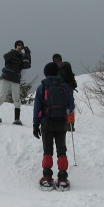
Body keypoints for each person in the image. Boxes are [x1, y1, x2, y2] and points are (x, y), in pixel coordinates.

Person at [33, 62, 75, 190]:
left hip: (46, 122)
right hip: (61, 122)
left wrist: (36, 124)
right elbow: (71, 105)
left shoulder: (42, 87)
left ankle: (47, 177)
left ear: (46, 73)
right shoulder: (65, 86)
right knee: (61, 150)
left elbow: (37, 107)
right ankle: (62, 178)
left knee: (48, 150)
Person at [0, 40, 30, 125]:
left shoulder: (22, 57)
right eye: (19, 45)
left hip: (15, 78)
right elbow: (5, 57)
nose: (20, 46)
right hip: (6, 76)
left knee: (16, 98)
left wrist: (27, 54)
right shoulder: (11, 53)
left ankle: (17, 119)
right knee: (1, 96)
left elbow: (27, 65)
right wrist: (16, 51)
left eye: (22, 45)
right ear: (16, 46)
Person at [52, 53, 77, 131]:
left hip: (66, 87)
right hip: (65, 87)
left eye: (58, 60)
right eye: (56, 60)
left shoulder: (64, 67)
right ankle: (67, 124)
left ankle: (69, 124)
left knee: (69, 105)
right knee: (67, 105)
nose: (57, 62)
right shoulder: (65, 66)